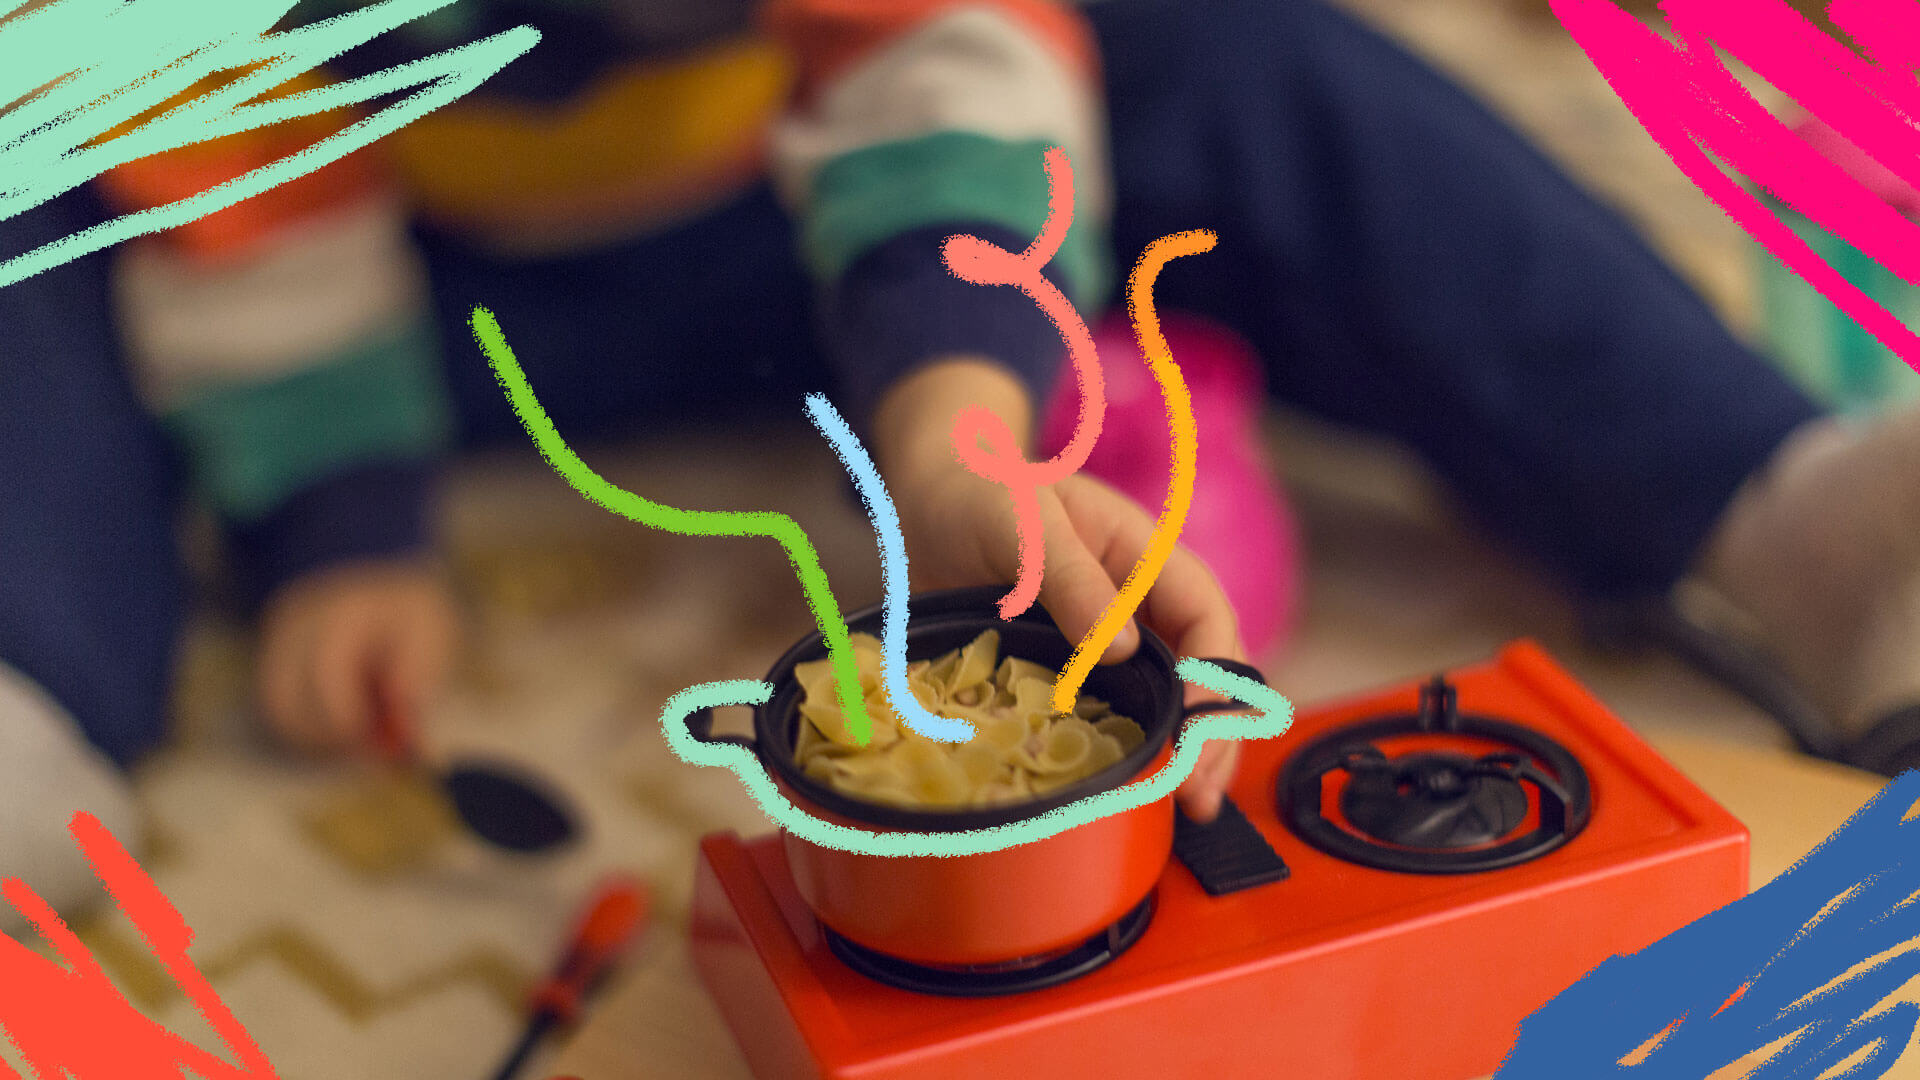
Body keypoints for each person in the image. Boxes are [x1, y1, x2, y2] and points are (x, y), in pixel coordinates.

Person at [4, 0, 1914, 928]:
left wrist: (956, 413)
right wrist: (337, 511)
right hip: (401, 275)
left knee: (1237, 56)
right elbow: (216, 155)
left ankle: (1789, 507)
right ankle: (33, 690)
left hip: (805, 206)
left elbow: (947, 58)